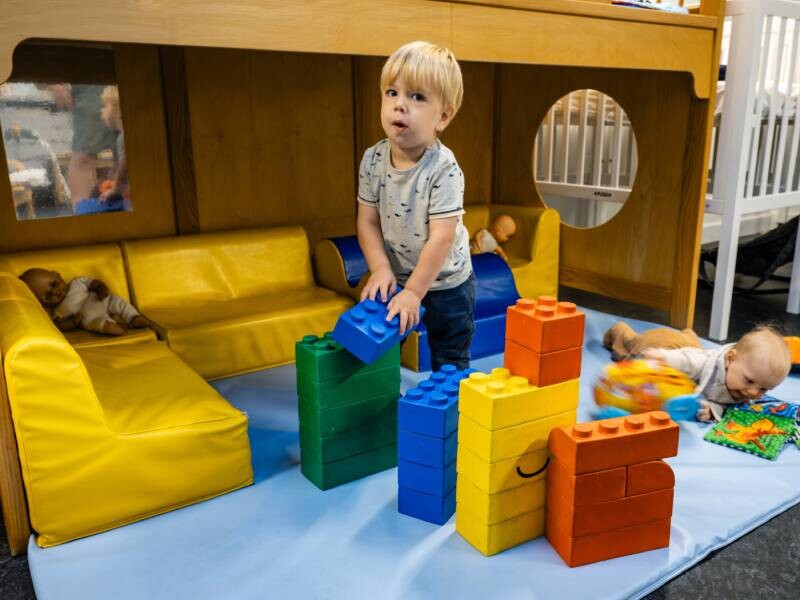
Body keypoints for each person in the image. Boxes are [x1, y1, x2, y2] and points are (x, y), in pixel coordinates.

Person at [357, 40, 475, 371]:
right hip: (395, 273)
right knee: (376, 348)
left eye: (417, 97)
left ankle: (449, 413)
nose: (400, 105)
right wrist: (380, 269)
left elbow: (442, 238)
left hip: (447, 283)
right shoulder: (373, 160)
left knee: (450, 355)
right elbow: (367, 222)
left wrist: (413, 292)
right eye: (392, 93)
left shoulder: (443, 168)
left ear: (443, 116)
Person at [633, 325, 791, 422]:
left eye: (764, 389)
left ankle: (689, 333)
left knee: (691, 341)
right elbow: (686, 361)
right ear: (730, 359)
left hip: (694, 350)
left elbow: (723, 403)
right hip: (670, 348)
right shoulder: (705, 364)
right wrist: (664, 356)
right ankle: (621, 333)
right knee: (634, 347)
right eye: (749, 381)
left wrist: (711, 409)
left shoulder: (740, 382)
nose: (753, 392)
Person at [20, 268, 149, 336]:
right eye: (48, 296)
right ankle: (109, 327)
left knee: (117, 301)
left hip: (101, 300)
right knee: (94, 323)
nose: (54, 292)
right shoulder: (57, 311)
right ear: (43, 303)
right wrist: (71, 322)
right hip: (90, 316)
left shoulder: (77, 282)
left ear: (57, 275)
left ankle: (133, 317)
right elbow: (59, 325)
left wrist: (100, 288)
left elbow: (93, 283)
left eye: (54, 284)